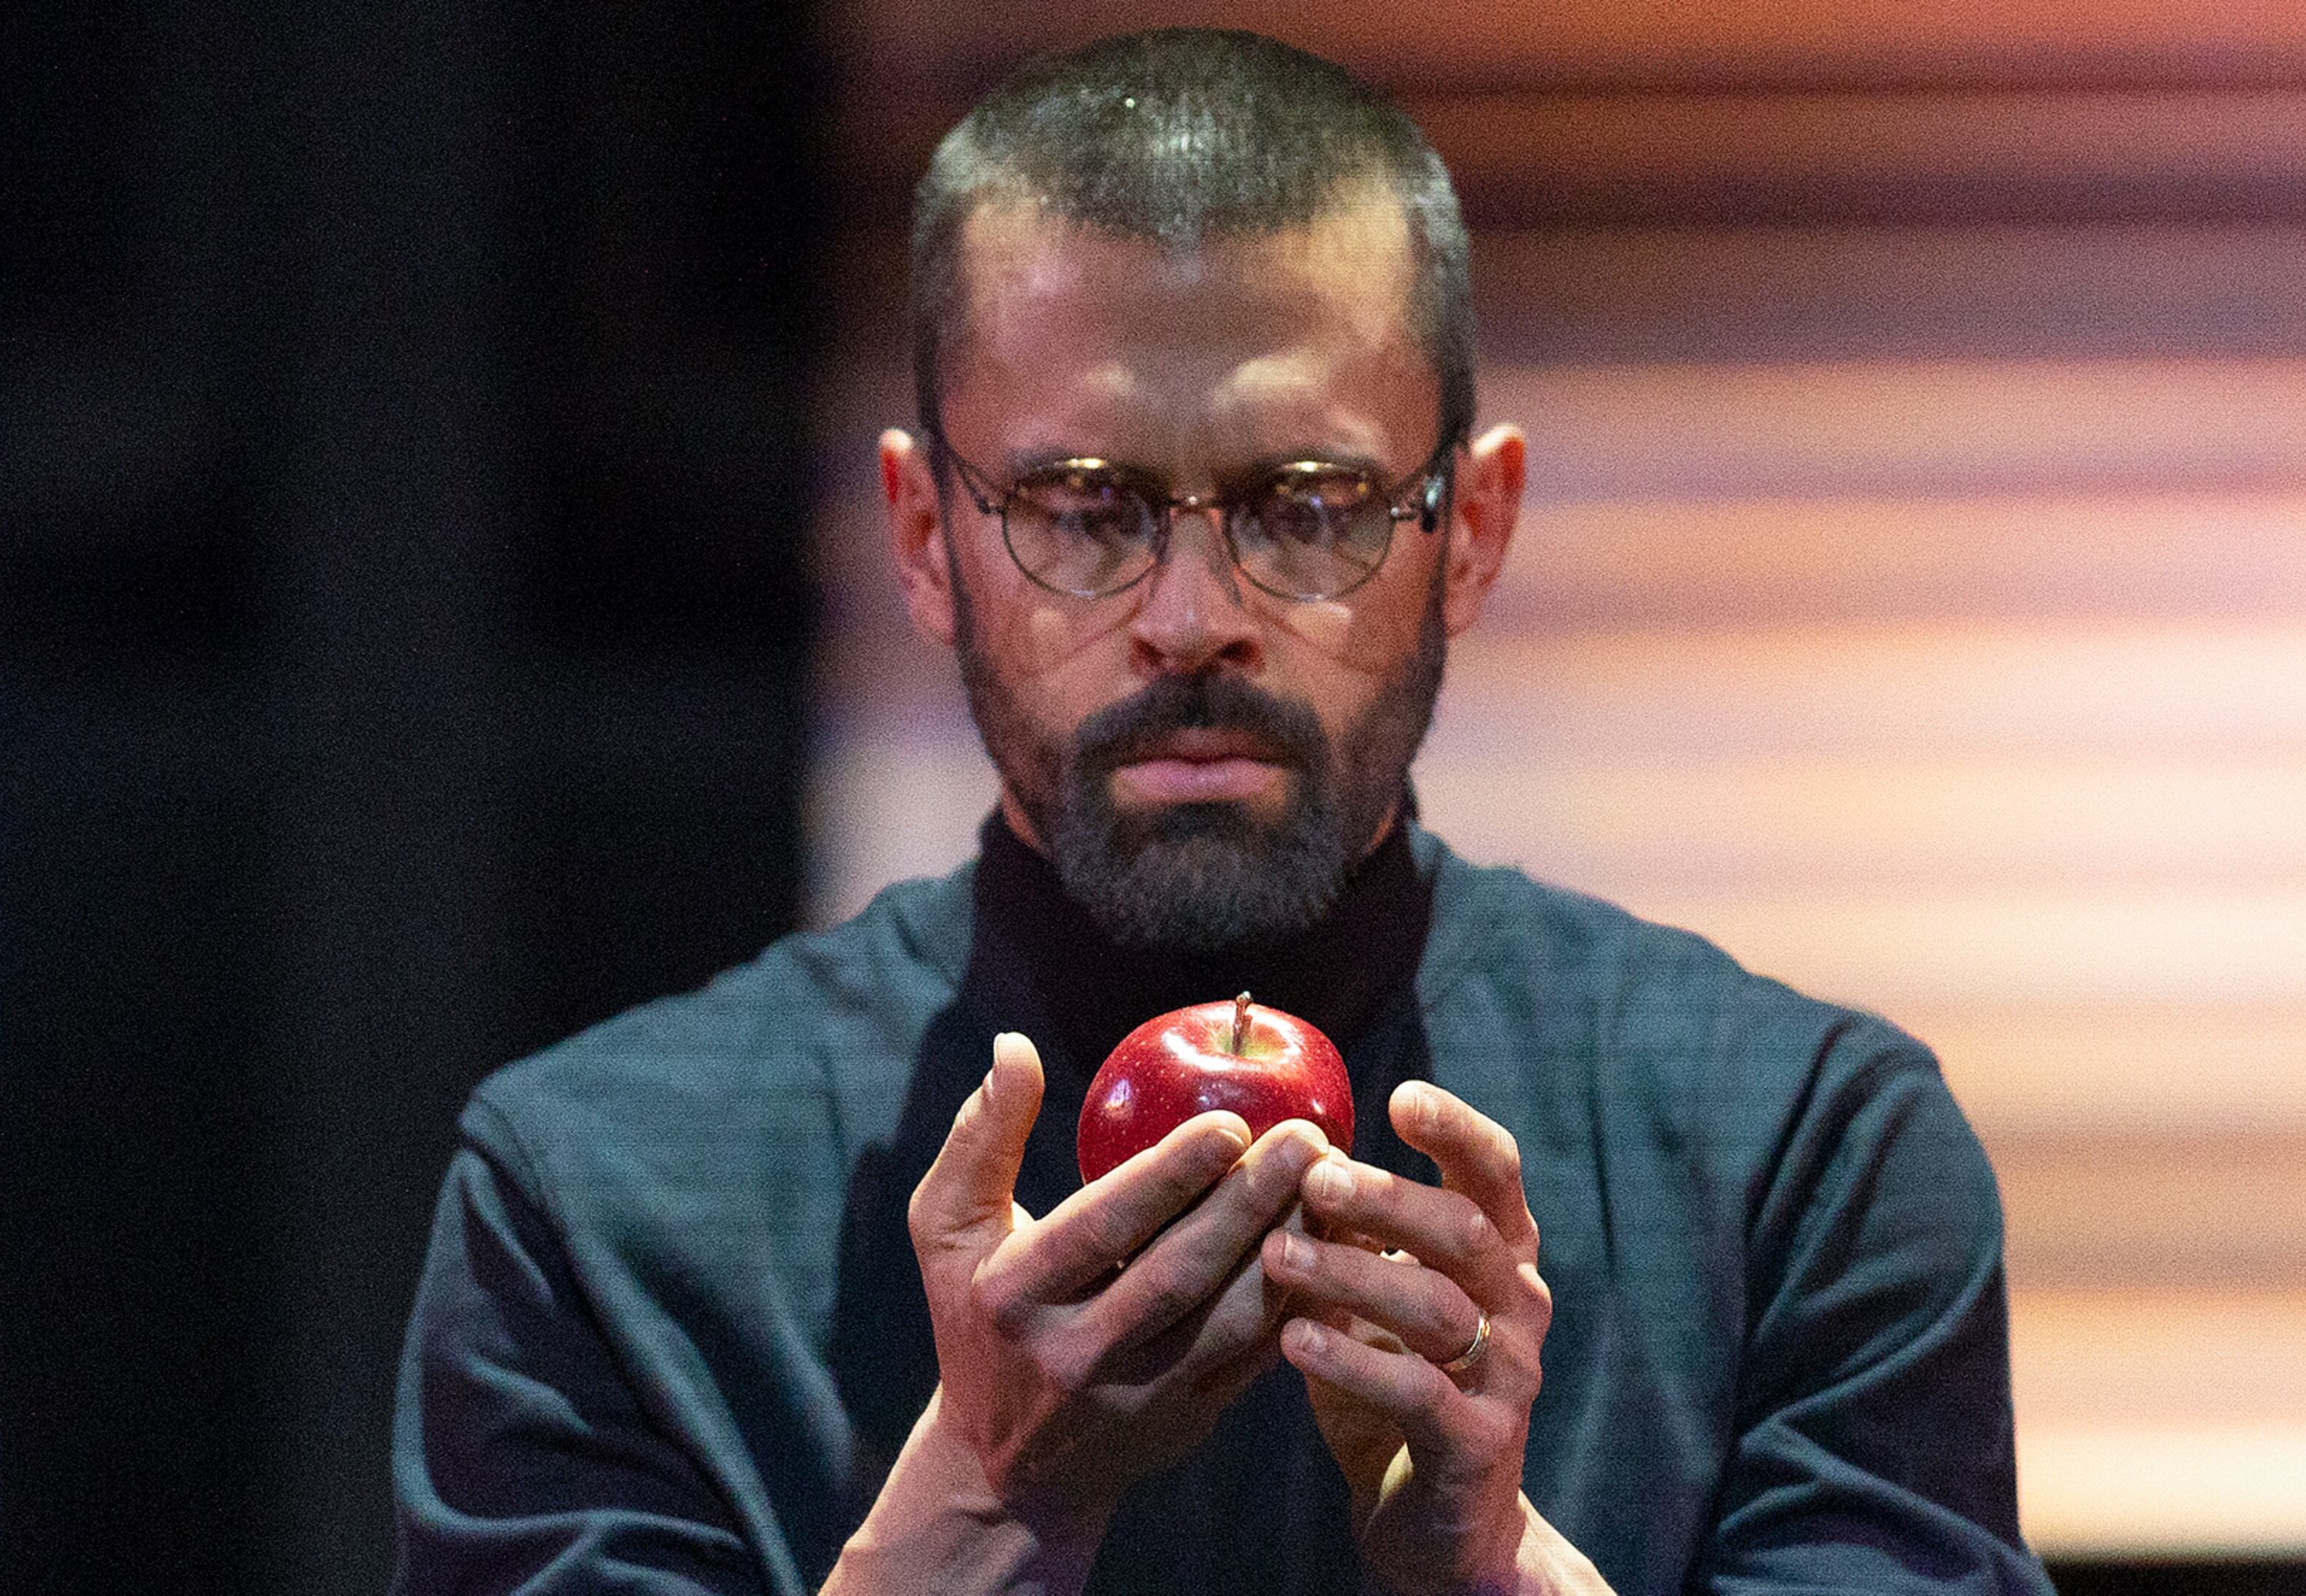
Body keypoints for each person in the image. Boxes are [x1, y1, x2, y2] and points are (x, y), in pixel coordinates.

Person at [395, 27, 2054, 1596]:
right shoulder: (598, 1199)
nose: (1193, 619)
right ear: (921, 538)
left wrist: (1499, 1569)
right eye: (1082, 508)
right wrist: (981, 1502)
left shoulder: (1801, 1163)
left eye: (1307, 505)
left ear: (1471, 529)